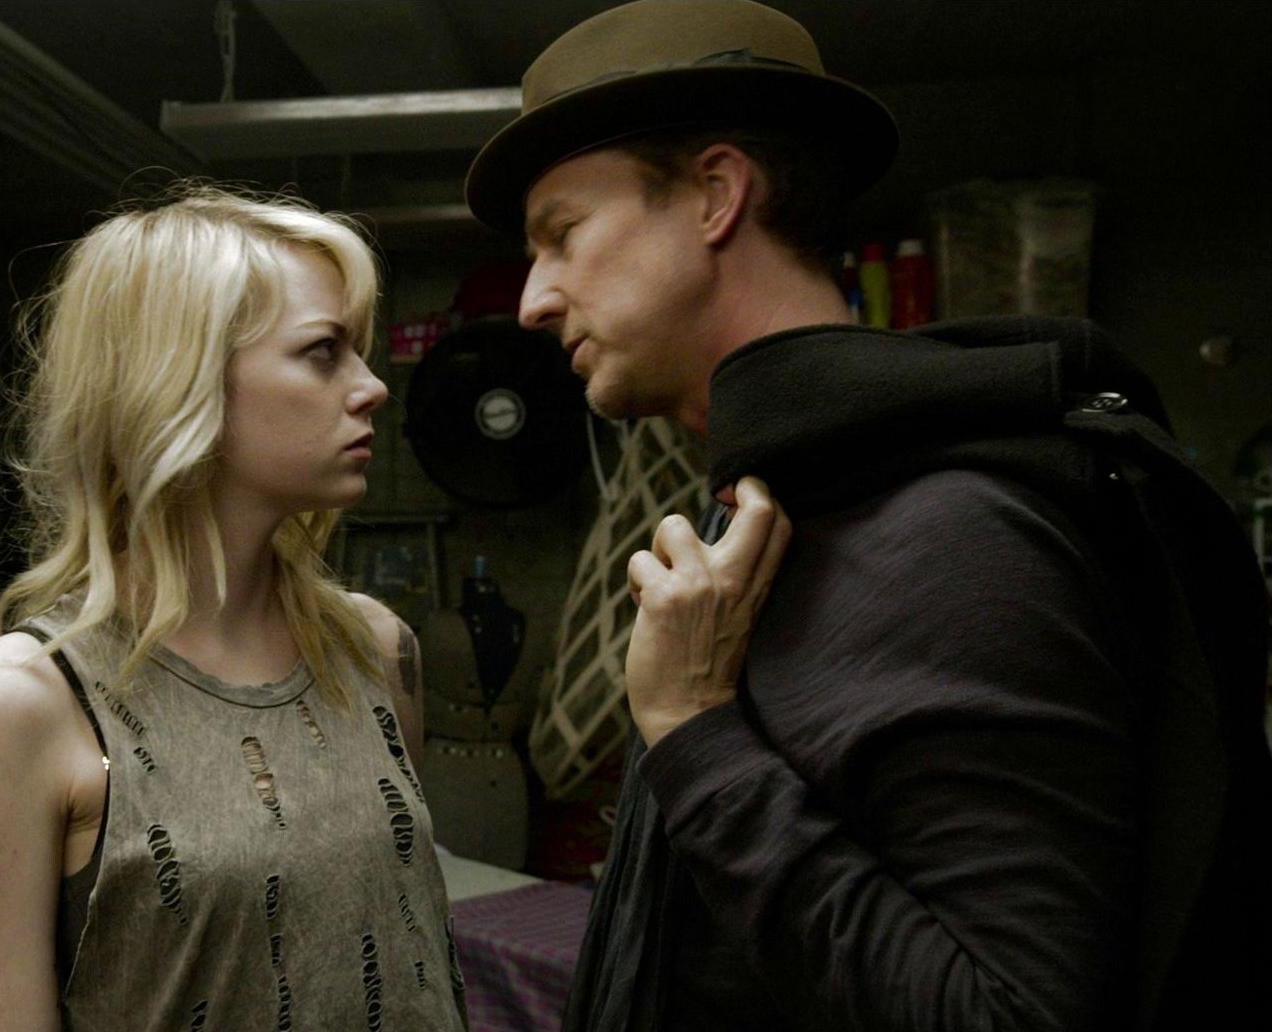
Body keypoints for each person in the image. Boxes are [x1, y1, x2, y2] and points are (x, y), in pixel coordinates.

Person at [464, 1, 1272, 1030]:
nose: (532, 301)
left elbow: (1012, 1014)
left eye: (563, 234)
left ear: (715, 195)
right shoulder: (782, 503)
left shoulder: (949, 532)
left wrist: (695, 734)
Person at [0, 185, 468, 1031]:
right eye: (323, 352)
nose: (371, 389)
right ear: (176, 382)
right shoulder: (26, 704)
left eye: (360, 353)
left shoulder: (372, 649)